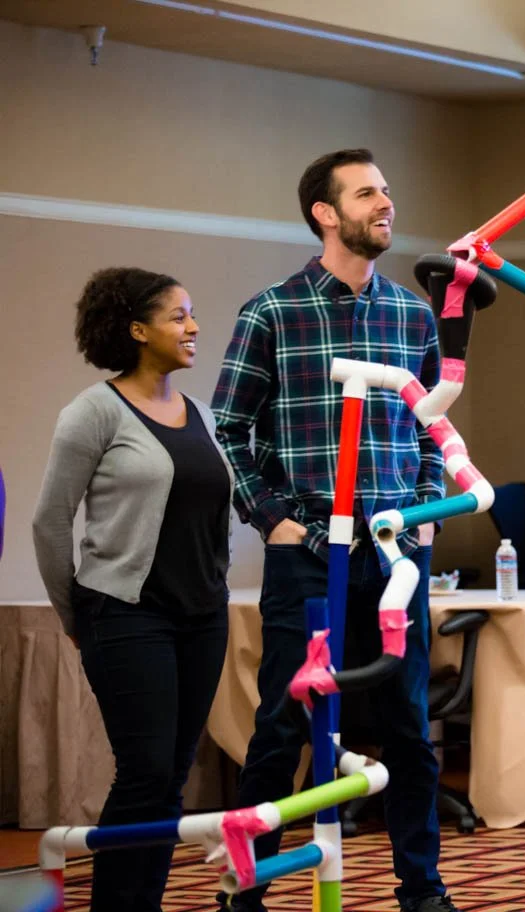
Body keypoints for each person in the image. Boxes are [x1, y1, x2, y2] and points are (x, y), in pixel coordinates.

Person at [212, 149, 454, 912]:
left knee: (409, 727)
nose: (386, 203)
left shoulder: (413, 315)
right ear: (325, 213)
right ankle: (245, 891)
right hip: (309, 554)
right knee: (283, 725)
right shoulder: (272, 312)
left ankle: (423, 891)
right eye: (367, 193)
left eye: (387, 190)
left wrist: (423, 515)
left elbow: (431, 430)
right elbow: (228, 428)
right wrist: (273, 519)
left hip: (394, 552)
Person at [33, 267, 232, 912]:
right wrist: (76, 615)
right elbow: (49, 521)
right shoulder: (93, 412)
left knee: (171, 776)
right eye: (178, 316)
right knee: (145, 772)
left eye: (191, 313)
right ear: (138, 330)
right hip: (124, 613)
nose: (194, 326)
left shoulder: (200, 414)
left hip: (203, 614)